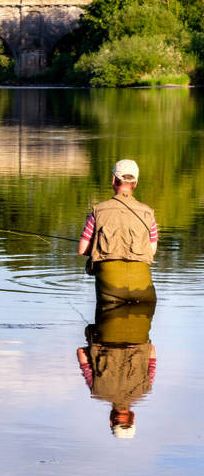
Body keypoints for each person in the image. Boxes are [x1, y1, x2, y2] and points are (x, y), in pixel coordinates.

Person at [78, 159, 157, 306]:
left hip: (110, 291)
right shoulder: (149, 213)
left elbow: (82, 249)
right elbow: (151, 251)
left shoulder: (98, 211)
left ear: (113, 179)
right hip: (144, 292)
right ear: (136, 183)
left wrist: (97, 247)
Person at [76, 300, 156, 438]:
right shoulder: (97, 391)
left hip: (138, 331)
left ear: (133, 417)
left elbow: (152, 351)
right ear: (111, 420)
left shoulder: (145, 388)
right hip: (105, 332)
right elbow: (81, 353)